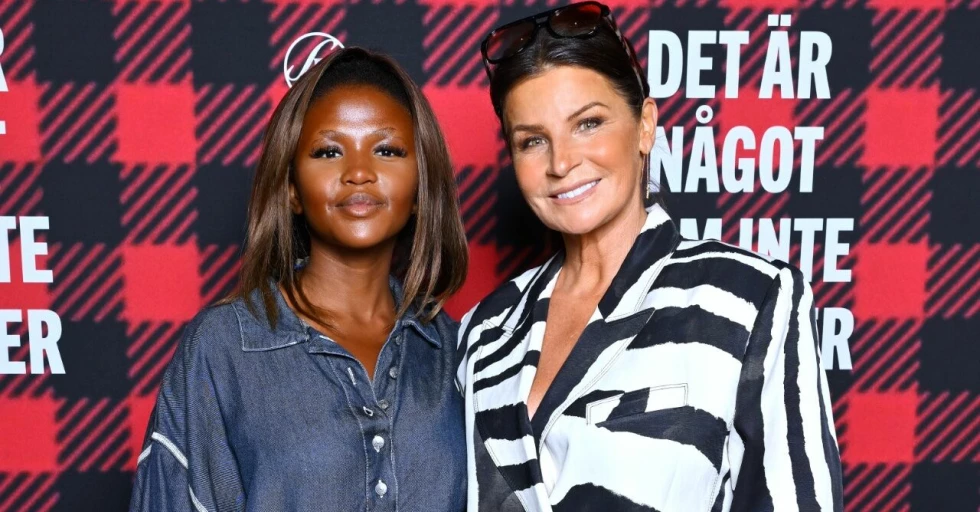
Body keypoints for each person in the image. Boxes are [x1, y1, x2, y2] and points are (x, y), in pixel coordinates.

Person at [455, 2, 843, 511]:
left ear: (644, 125)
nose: (561, 162)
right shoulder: (484, 330)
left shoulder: (750, 299)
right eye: (532, 141)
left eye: (588, 123)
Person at [130, 47, 468, 511]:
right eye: (329, 152)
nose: (359, 173)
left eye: (386, 150)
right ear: (291, 188)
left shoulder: (455, 352)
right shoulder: (223, 347)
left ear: (421, 186)